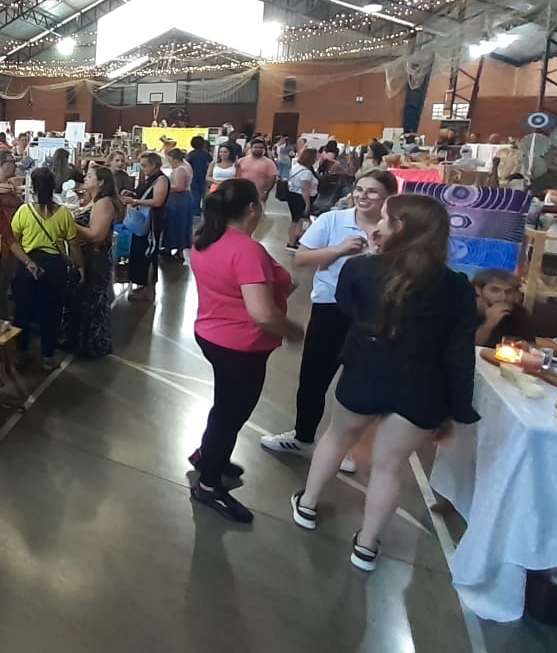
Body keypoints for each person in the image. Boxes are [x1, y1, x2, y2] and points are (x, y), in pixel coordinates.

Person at [292, 195, 479, 570]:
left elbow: (347, 306)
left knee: (337, 437)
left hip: (365, 371)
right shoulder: (456, 287)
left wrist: (375, 257)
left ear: (399, 227)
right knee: (389, 466)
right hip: (421, 387)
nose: (376, 224)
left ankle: (308, 504)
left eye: (384, 219)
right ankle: (366, 544)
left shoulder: (361, 269)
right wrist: (457, 409)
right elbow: (460, 355)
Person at [261, 170, 399, 466]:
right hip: (330, 308)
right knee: (315, 376)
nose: (363, 196)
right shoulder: (332, 220)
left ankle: (343, 446)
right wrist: (338, 249)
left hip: (374, 313)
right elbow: (301, 258)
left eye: (372, 192)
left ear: (388, 198)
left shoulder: (395, 229)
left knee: (358, 380)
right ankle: (303, 437)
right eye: (359, 189)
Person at [188, 179, 304, 523]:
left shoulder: (206, 238)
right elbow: (263, 314)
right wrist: (292, 330)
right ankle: (208, 485)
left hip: (212, 334)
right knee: (231, 414)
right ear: (252, 208)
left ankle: (208, 456)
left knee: (225, 407)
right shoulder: (246, 250)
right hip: (240, 345)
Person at [9, 167, 78, 371]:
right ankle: (48, 356)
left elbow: (13, 241)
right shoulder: (64, 213)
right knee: (51, 311)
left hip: (28, 264)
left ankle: (21, 353)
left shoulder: (24, 211)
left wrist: (27, 262)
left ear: (33, 187)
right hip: (55, 266)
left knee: (23, 310)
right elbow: (73, 244)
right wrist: (79, 266)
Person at [63, 165, 124, 358]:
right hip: (83, 257)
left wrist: (69, 223)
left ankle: (91, 345)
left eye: (90, 176)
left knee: (91, 302)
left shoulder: (104, 203)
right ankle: (76, 340)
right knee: (79, 301)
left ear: (101, 182)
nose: (85, 178)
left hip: (94, 260)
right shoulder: (91, 200)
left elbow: (96, 235)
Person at [122, 152, 168, 301]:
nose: (142, 168)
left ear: (154, 165)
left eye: (145, 165)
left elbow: (157, 202)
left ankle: (150, 289)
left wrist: (135, 201)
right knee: (139, 251)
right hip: (143, 221)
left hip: (152, 222)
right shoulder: (149, 179)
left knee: (149, 253)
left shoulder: (161, 180)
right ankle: (143, 282)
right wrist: (133, 195)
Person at [473, 269, 536, 347]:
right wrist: (489, 323)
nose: (503, 297)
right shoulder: (466, 310)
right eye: (495, 290)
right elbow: (466, 346)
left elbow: (530, 345)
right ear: (478, 290)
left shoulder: (518, 313)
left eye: (508, 292)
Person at [285, 147, 319, 249]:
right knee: (303, 221)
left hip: (292, 194)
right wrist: (308, 204)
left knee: (295, 220)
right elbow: (305, 190)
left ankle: (291, 241)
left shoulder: (296, 167)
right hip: (302, 198)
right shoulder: (306, 172)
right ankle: (298, 239)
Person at [163, 148, 193, 261]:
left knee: (177, 223)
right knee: (178, 223)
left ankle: (177, 249)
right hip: (181, 199)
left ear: (174, 159)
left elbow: (179, 187)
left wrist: (165, 187)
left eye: (169, 160)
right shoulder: (185, 166)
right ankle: (172, 248)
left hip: (179, 199)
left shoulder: (180, 169)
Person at [237, 138, 278, 202]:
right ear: (251, 148)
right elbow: (236, 176)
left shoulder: (269, 163)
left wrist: (266, 192)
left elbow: (272, 179)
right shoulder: (241, 161)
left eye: (260, 147)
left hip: (259, 194)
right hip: (241, 192)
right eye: (256, 147)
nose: (258, 149)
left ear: (264, 149)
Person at [186, 136, 212, 213]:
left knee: (195, 193)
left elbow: (188, 165)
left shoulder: (191, 154)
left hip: (193, 176)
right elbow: (211, 163)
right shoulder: (206, 154)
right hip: (204, 175)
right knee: (204, 192)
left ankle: (195, 210)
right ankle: (204, 209)